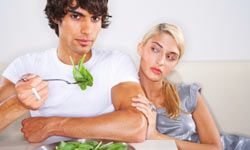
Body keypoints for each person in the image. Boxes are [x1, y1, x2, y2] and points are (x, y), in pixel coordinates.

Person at [0, 0, 147, 143]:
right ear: (55, 17)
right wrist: (19, 104)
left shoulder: (116, 62)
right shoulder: (26, 65)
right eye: (76, 16)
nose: (87, 30)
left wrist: (52, 126)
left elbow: (137, 126)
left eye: (95, 18)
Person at [131, 23, 250, 149]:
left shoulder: (187, 93)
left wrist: (157, 137)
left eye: (170, 57)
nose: (161, 61)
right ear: (140, 48)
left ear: (175, 64)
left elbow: (215, 148)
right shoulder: (121, 96)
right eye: (155, 49)